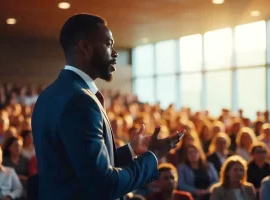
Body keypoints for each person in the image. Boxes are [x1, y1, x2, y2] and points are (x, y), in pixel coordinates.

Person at [31, 13, 184, 200]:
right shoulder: (81, 102)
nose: (115, 52)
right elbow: (104, 185)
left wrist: (131, 150)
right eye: (109, 44)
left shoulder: (49, 95)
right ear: (86, 47)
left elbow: (79, 166)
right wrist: (153, 156)